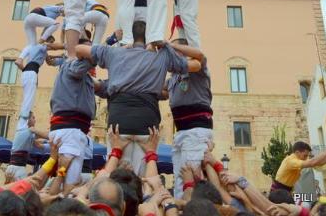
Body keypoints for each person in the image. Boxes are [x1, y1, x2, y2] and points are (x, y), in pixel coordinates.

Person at [76, 21, 203, 175]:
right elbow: (197, 64)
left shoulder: (113, 52)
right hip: (147, 125)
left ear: (130, 35)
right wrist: (167, 46)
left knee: (115, 178)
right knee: (144, 180)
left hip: (119, 123)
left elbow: (79, 49)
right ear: (150, 37)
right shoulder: (162, 56)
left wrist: (116, 52)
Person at [166, 40, 213, 198]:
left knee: (192, 177)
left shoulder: (196, 68)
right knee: (180, 180)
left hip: (196, 129)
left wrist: (171, 46)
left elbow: (199, 55)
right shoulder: (173, 78)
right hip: (181, 132)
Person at [49, 50, 96, 194]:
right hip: (72, 132)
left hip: (70, 131)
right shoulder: (72, 66)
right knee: (70, 187)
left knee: (63, 180)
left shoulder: (74, 72)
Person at [5, 112, 47, 182]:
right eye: (33, 117)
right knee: (22, 190)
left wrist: (48, 143)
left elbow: (38, 145)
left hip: (13, 167)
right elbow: (46, 136)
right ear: (27, 120)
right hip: (18, 168)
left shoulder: (26, 133)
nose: (35, 120)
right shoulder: (29, 130)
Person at [15, 43, 51, 123]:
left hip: (26, 74)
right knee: (29, 99)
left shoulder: (34, 49)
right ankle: (24, 121)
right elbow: (18, 62)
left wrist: (25, 70)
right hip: (31, 72)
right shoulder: (42, 48)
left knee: (27, 98)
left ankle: (24, 119)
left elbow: (49, 60)